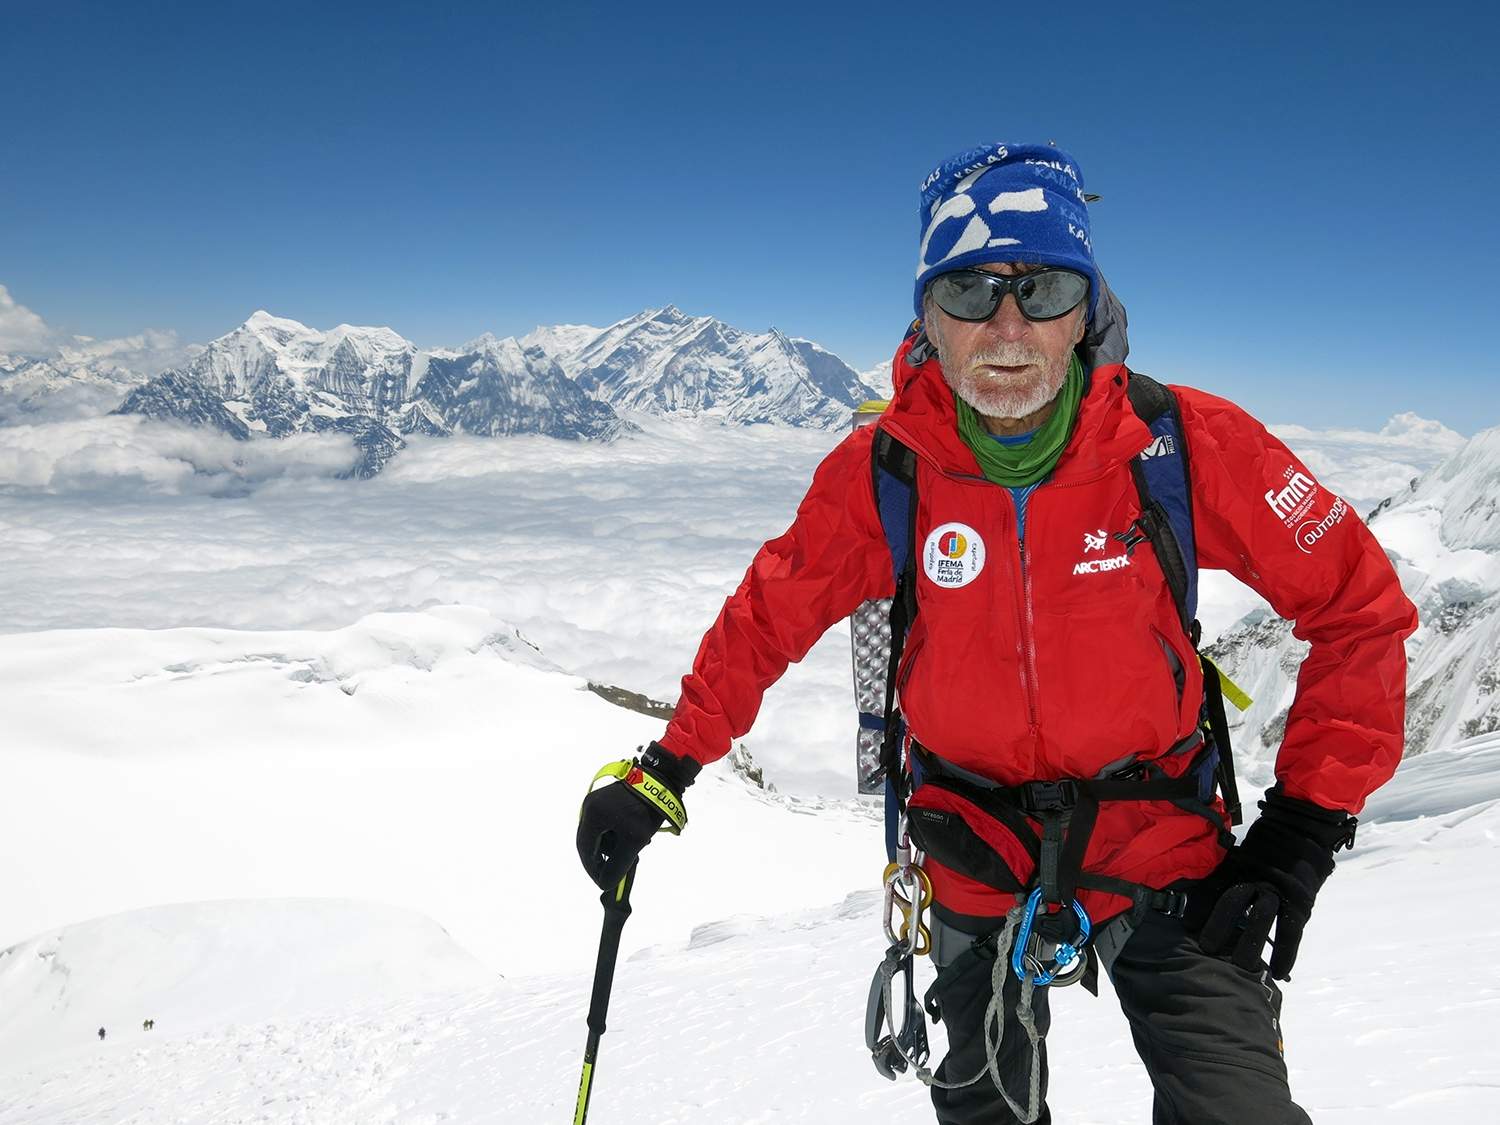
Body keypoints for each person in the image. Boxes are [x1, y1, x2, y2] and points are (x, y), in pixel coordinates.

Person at [577, 142, 1418, 1124]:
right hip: (967, 840)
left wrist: (1301, 834)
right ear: (928, 315)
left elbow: (1359, 611)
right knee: (985, 1112)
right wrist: (665, 769)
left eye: (1045, 288)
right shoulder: (886, 470)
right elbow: (767, 620)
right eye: (970, 292)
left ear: (1087, 310)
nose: (1008, 328)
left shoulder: (1181, 446)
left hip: (1160, 839)